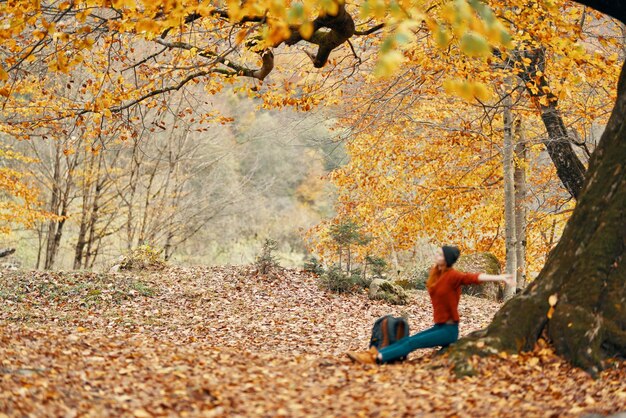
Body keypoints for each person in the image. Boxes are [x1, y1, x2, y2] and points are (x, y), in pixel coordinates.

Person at [346, 245, 515, 364]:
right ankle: (375, 353)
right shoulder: (437, 274)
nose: (437, 256)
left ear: (447, 259)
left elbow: (474, 278)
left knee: (412, 344)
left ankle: (376, 359)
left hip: (448, 331)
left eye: (440, 255)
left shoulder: (453, 275)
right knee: (408, 340)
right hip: (439, 326)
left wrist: (500, 278)